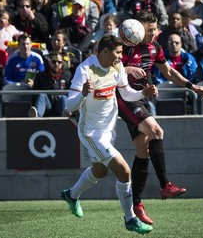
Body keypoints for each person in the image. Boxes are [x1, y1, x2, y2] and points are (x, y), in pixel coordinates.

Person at [116, 10, 203, 224]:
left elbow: (168, 72)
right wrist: (127, 68)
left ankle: (136, 204)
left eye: (155, 29)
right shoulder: (123, 48)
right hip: (123, 98)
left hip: (140, 99)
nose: (155, 33)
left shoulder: (155, 48)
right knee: (157, 131)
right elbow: (107, 69)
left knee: (143, 149)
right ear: (138, 30)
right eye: (150, 30)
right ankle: (165, 185)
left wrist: (192, 87)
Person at [61, 34, 155, 234]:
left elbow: (126, 93)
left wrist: (142, 94)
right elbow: (69, 105)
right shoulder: (85, 69)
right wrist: (82, 94)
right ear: (105, 51)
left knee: (100, 171)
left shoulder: (117, 66)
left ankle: (71, 195)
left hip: (108, 130)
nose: (121, 57)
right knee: (124, 171)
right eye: (118, 52)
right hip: (90, 132)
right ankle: (130, 219)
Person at [32, 53, 71, 117]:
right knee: (42, 95)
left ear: (62, 63)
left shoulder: (67, 75)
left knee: (64, 98)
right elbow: (34, 95)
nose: (56, 64)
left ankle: (66, 117)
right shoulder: (41, 76)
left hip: (60, 105)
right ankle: (36, 116)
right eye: (54, 62)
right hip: (47, 106)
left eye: (59, 62)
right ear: (49, 62)